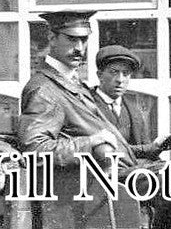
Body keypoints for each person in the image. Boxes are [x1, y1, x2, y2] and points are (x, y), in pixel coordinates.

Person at [18, 11, 132, 168]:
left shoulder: (73, 82)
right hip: (109, 181)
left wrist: (149, 149)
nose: (79, 48)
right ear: (52, 38)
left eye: (84, 40)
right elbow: (34, 150)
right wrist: (90, 143)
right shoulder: (44, 89)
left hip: (121, 172)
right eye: (71, 39)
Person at [91, 45, 162, 161]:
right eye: (114, 72)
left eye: (125, 73)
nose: (120, 80)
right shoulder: (87, 104)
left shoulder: (133, 107)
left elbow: (147, 148)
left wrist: (158, 147)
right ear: (100, 75)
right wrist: (149, 148)